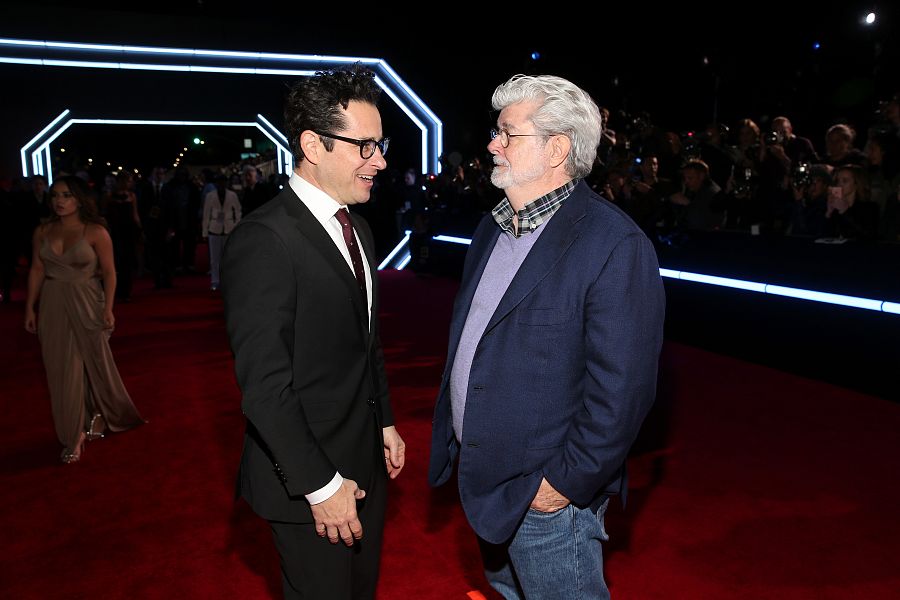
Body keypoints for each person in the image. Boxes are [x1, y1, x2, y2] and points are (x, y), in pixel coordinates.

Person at [428, 74, 665, 599]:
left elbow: (623, 391)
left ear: (557, 148)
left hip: (546, 499)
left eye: (508, 133)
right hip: (485, 480)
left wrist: (561, 485)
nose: (492, 144)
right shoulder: (493, 226)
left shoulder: (615, 243)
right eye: (496, 131)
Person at [221, 65, 405, 600]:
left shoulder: (360, 227)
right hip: (309, 483)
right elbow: (264, 389)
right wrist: (320, 487)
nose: (381, 161)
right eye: (365, 147)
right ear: (312, 144)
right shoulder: (265, 241)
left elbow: (366, 341)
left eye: (381, 144)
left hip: (363, 459)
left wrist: (385, 420)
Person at [24, 175, 144, 464]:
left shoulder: (95, 231)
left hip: (88, 301)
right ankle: (73, 433)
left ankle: (100, 415)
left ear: (79, 198)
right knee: (61, 370)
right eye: (55, 196)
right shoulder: (42, 230)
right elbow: (37, 270)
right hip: (52, 303)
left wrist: (109, 309)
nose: (59, 201)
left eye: (66, 195)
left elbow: (111, 272)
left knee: (91, 364)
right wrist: (30, 307)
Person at [201, 174, 241, 291]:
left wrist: (236, 225)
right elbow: (206, 214)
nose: (222, 184)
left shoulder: (232, 195)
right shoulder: (210, 196)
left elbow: (238, 210)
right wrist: (204, 232)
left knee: (228, 257)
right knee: (214, 258)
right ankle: (215, 281)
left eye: (223, 182)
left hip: (229, 228)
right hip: (214, 229)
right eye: (219, 182)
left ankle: (228, 280)